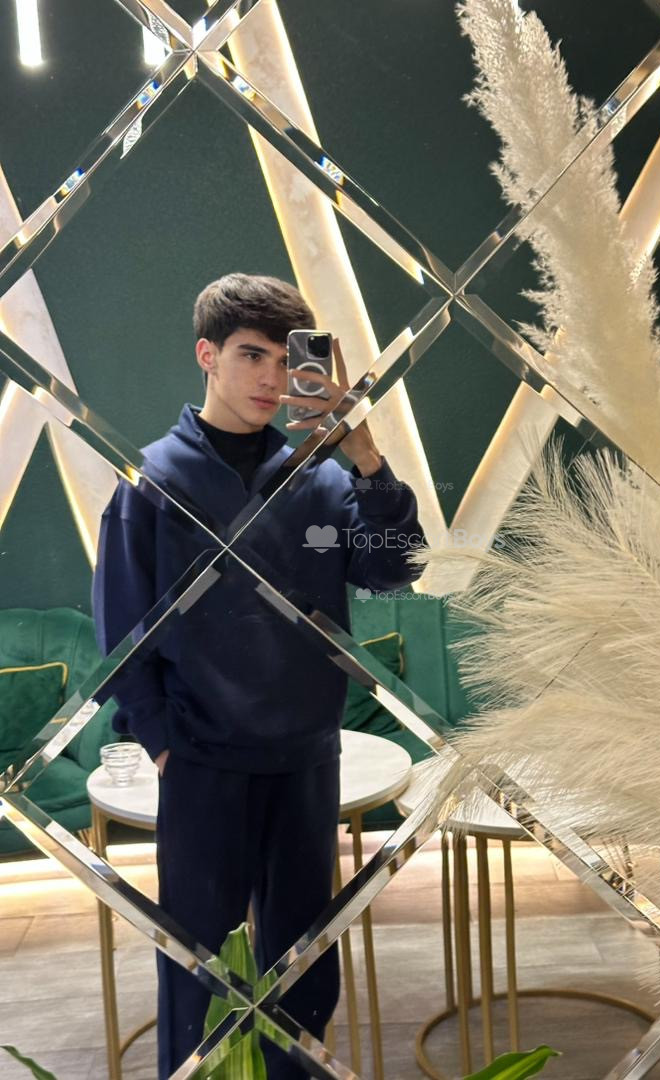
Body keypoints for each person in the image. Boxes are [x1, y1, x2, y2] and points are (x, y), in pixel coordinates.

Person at [92, 272, 426, 1077]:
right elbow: (122, 634)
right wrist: (162, 741)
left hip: (305, 759)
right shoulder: (153, 482)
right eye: (251, 356)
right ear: (207, 355)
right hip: (201, 764)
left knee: (303, 974)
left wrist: (366, 457)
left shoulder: (323, 475)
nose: (272, 378)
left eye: (287, 360)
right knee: (197, 973)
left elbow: (396, 571)